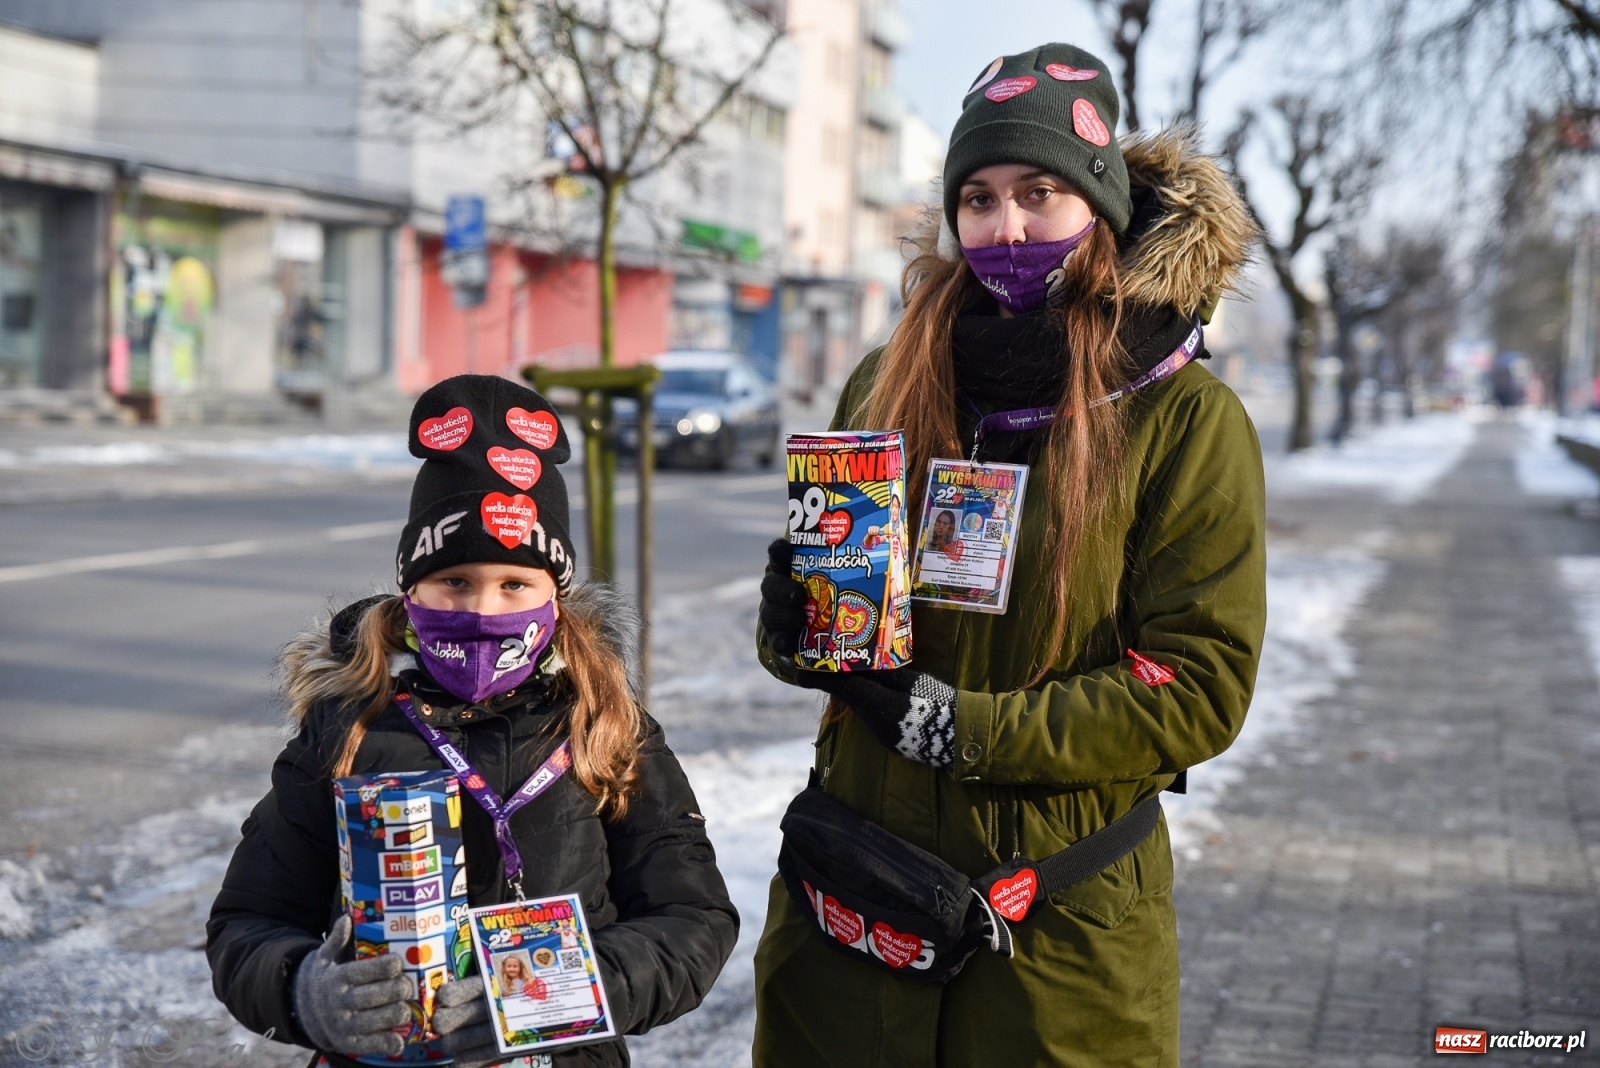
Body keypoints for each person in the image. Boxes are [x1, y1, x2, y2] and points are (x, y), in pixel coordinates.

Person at [753, 43, 1265, 1067]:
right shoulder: (889, 377)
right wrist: (800, 627)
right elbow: (852, 611)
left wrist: (959, 728)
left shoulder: (1182, 417)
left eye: (1041, 193)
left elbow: (1198, 688)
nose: (1007, 228)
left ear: (1103, 208)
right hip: (854, 903)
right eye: (978, 199)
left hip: (1053, 941)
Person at [207, 375, 738, 1068]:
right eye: (455, 582)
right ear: (411, 589)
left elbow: (694, 920)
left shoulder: (604, 729)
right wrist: (304, 991)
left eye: (515, 584)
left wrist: (549, 996)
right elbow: (247, 922)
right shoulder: (350, 729)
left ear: (557, 596)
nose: (485, 612)